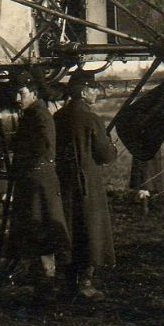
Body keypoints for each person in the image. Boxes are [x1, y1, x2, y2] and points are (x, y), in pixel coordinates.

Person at [53, 72, 118, 299]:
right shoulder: (91, 119)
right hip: (88, 183)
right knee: (90, 231)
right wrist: (112, 147)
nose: (97, 93)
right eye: (93, 89)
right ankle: (85, 282)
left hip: (63, 181)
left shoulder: (59, 116)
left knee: (69, 228)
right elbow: (105, 155)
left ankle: (67, 280)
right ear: (83, 92)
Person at [9, 81, 71, 301]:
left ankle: (49, 280)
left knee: (43, 226)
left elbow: (44, 146)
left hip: (39, 179)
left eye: (21, 92)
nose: (18, 98)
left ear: (33, 94)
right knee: (38, 226)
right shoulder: (32, 113)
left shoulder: (40, 115)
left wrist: (26, 161)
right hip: (35, 179)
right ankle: (44, 278)